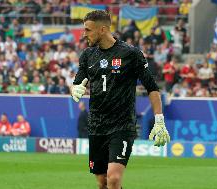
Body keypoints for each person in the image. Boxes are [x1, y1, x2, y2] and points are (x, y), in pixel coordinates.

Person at [71, 10, 170, 189]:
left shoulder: (130, 54)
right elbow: (78, 82)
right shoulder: (87, 55)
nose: (83, 34)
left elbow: (152, 87)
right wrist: (75, 88)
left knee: (114, 179)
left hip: (122, 126)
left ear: (102, 29)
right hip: (96, 126)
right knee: (102, 182)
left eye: (88, 30)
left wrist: (159, 119)